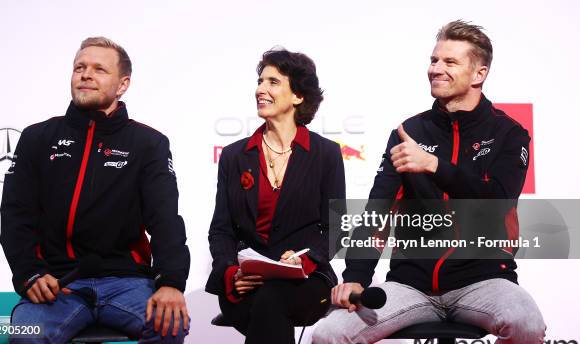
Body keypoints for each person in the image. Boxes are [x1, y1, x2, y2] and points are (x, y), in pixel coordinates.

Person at [313, 20, 546, 344]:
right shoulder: (409, 132)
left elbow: (497, 200)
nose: (436, 69)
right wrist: (355, 278)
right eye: (434, 60)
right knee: (329, 333)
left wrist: (435, 166)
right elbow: (376, 214)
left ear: (479, 73)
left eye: (450, 62)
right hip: (410, 286)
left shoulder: (509, 133)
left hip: (483, 281)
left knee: (526, 323)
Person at [0, 37, 190, 343]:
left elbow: (165, 220)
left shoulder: (149, 143)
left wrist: (171, 282)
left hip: (127, 282)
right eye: (80, 67)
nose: (85, 74)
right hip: (58, 283)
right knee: (27, 335)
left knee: (170, 324)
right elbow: (15, 216)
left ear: (122, 84)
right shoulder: (37, 137)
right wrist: (29, 273)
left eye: (99, 69)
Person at [206, 48, 345, 344]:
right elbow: (221, 229)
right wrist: (231, 274)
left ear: (297, 96)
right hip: (246, 284)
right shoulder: (234, 156)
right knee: (266, 302)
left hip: (308, 280)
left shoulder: (326, 154)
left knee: (270, 301)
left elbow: (336, 228)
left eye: (273, 82)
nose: (260, 89)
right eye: (260, 81)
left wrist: (305, 259)